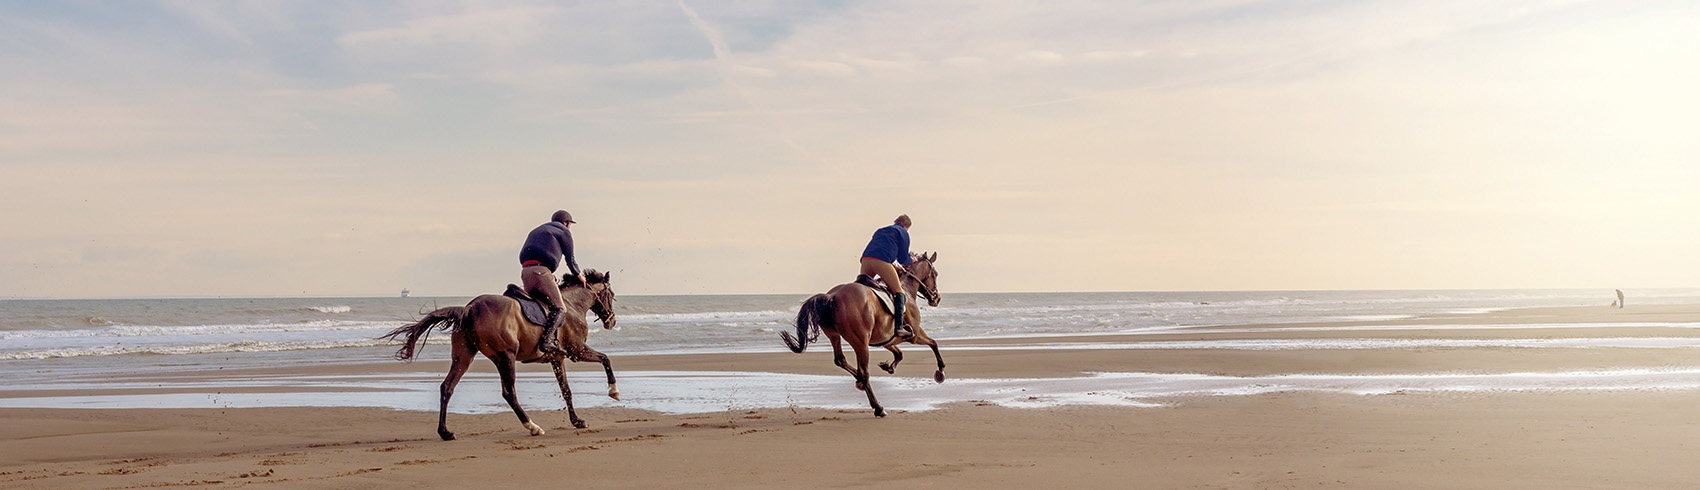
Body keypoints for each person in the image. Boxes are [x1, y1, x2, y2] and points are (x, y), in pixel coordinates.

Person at [519, 210, 583, 357]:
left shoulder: (537, 230)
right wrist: (579, 275)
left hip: (525, 272)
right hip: (541, 272)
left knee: (538, 305)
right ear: (566, 222)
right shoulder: (564, 232)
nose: (569, 227)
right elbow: (570, 259)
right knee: (560, 307)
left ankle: (530, 339)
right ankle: (547, 341)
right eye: (569, 224)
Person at [860, 214, 915, 339]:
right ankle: (900, 327)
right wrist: (912, 259)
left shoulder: (881, 230)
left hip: (865, 260)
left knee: (864, 291)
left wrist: (894, 266)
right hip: (881, 262)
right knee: (899, 292)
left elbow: (881, 250)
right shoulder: (903, 232)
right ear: (906, 226)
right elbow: (903, 258)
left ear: (896, 222)